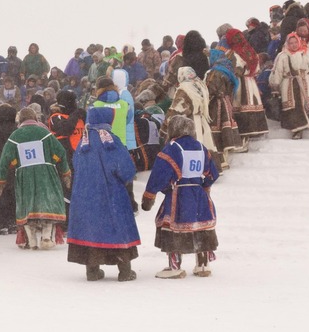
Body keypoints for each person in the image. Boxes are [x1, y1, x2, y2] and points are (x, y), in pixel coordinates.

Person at [66, 106, 140, 281]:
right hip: (111, 195)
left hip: (85, 196)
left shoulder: (83, 142)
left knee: (90, 230)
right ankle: (124, 271)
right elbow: (125, 169)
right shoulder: (110, 140)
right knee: (117, 228)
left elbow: (76, 165)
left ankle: (92, 270)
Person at [141, 115, 219, 279]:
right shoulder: (201, 147)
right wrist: (204, 186)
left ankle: (175, 266)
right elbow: (213, 173)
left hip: (179, 194)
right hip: (199, 194)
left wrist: (150, 195)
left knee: (173, 227)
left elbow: (160, 174)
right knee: (200, 226)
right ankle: (203, 265)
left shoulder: (173, 147)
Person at [0, 105, 71, 250]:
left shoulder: (15, 136)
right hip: (46, 174)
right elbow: (60, 152)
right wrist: (63, 170)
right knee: (46, 203)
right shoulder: (44, 132)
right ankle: (47, 236)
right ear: (35, 118)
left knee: (27, 206)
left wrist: (0, 181)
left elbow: (4, 160)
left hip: (25, 176)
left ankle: (32, 240)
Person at [269, 32, 309, 139]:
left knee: (306, 103)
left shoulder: (308, 53)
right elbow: (277, 72)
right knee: (293, 106)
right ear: (287, 44)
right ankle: (296, 129)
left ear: (299, 41)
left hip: (306, 82)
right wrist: (275, 85)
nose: (294, 45)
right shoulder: (282, 56)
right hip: (289, 83)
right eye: (291, 43)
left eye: (295, 42)